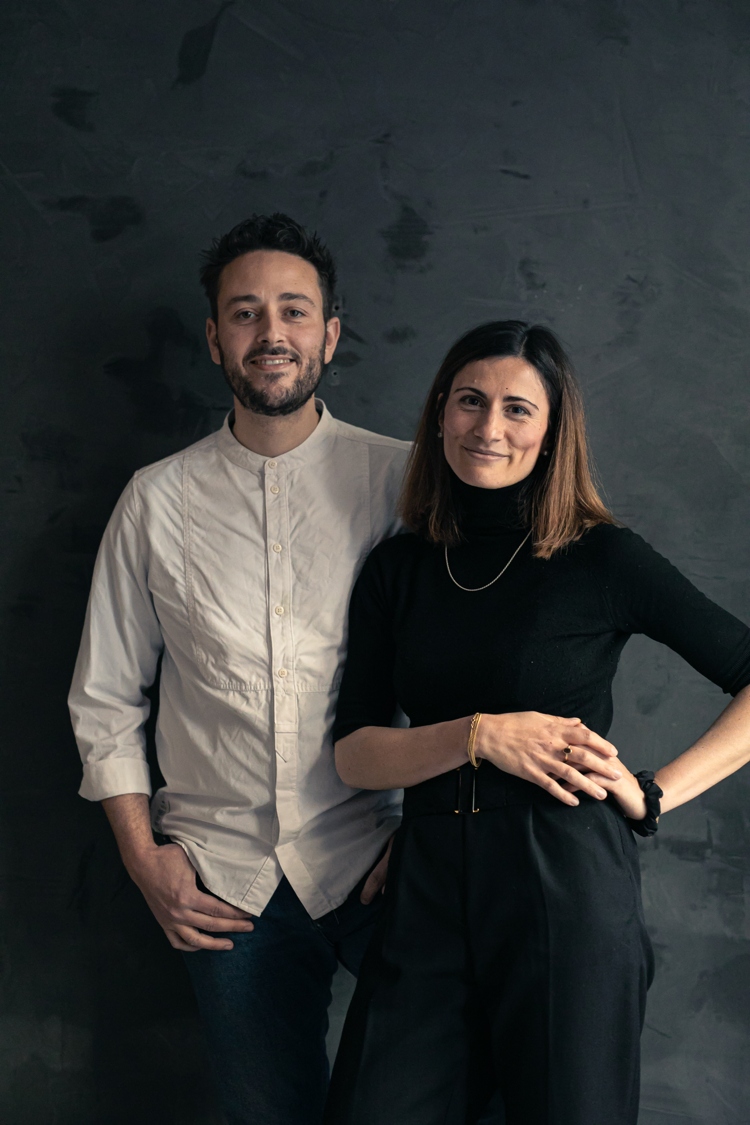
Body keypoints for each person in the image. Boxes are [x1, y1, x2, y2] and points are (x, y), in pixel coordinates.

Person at [323, 320, 750, 1125]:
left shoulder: (603, 558)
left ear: (553, 432)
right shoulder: (398, 568)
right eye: (470, 401)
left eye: (518, 409)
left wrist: (654, 792)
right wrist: (479, 734)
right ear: (440, 413)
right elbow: (355, 753)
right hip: (427, 883)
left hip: (565, 884)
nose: (489, 427)